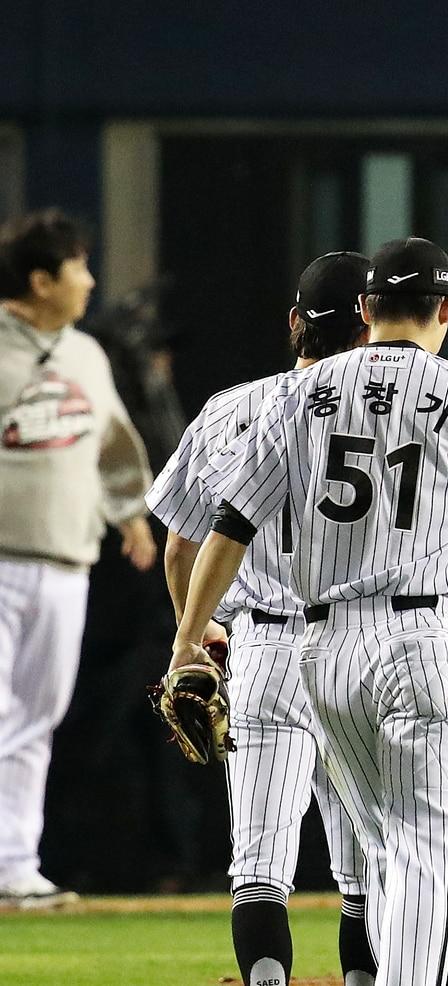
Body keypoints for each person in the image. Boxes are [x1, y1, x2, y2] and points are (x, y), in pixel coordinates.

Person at [169, 237, 448, 986]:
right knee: (421, 855)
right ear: (445, 309)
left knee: (385, 849)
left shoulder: (295, 394)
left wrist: (184, 645)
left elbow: (229, 525)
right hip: (424, 641)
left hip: (322, 650)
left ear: (369, 310)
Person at [146, 252, 376, 986]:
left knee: (260, 864)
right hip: (368, 642)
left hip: (265, 646)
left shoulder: (229, 408)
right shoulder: (393, 402)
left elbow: (181, 543)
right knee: (368, 865)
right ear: (371, 323)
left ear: (295, 324)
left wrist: (194, 635)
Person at [0, 208, 155, 908]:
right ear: (39, 279)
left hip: (66, 561)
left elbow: (115, 448)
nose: (90, 282)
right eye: (77, 268)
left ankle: (14, 867)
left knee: (36, 717)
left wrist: (131, 514)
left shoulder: (86, 355)